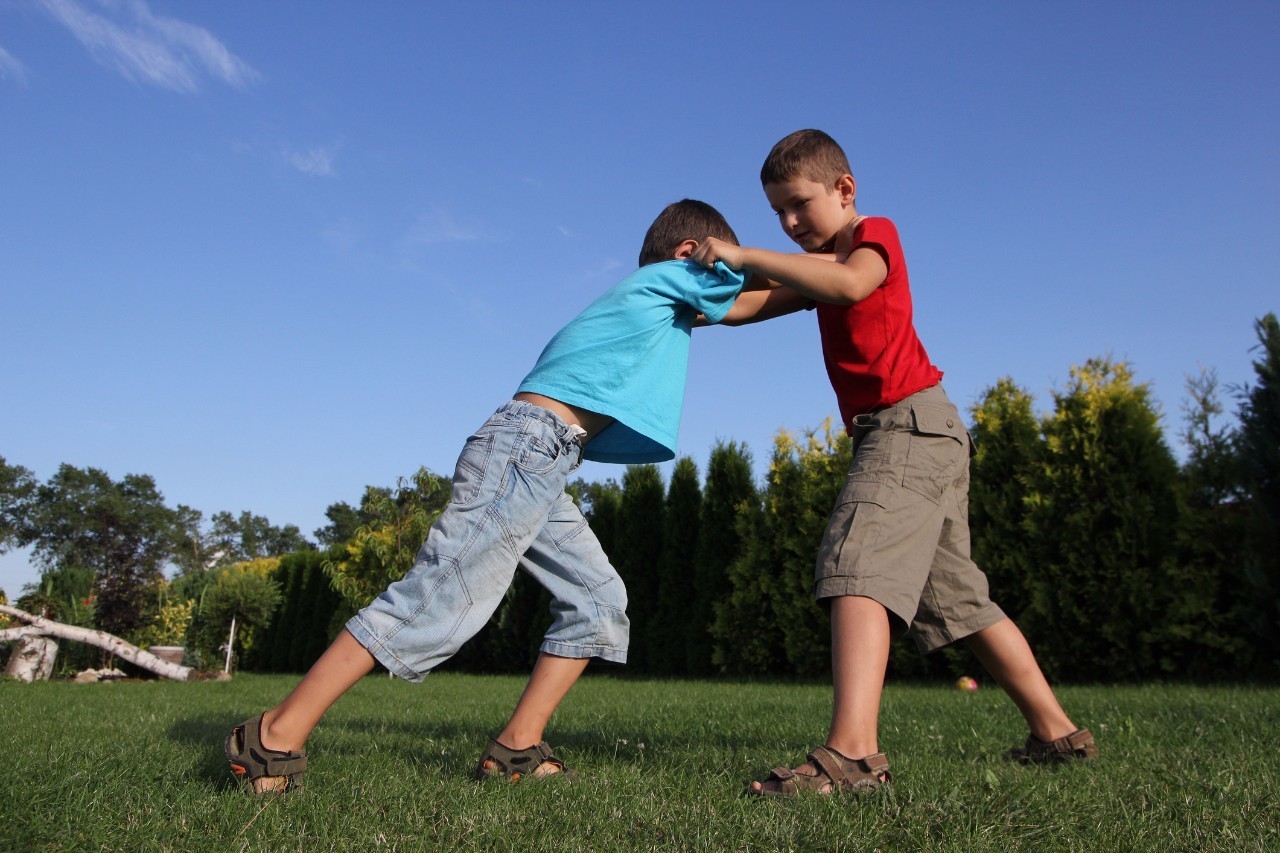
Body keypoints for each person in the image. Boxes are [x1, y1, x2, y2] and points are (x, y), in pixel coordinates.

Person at [226, 199, 750, 793]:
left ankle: (515, 749)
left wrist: (832, 286)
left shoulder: (663, 299)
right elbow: (749, 301)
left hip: (543, 461)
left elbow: (744, 305)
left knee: (597, 600)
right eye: (721, 267)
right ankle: (272, 736)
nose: (722, 286)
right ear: (692, 255)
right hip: (526, 451)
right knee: (433, 599)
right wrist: (830, 280)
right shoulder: (667, 278)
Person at [692, 129, 1097, 796]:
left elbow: (852, 285)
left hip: (906, 423)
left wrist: (743, 252)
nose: (791, 224)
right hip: (922, 430)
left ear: (844, 190)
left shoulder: (871, 237)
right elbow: (747, 305)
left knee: (855, 565)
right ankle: (1058, 734)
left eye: (799, 205)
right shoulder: (817, 266)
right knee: (960, 602)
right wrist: (684, 303)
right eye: (777, 214)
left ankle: (853, 756)